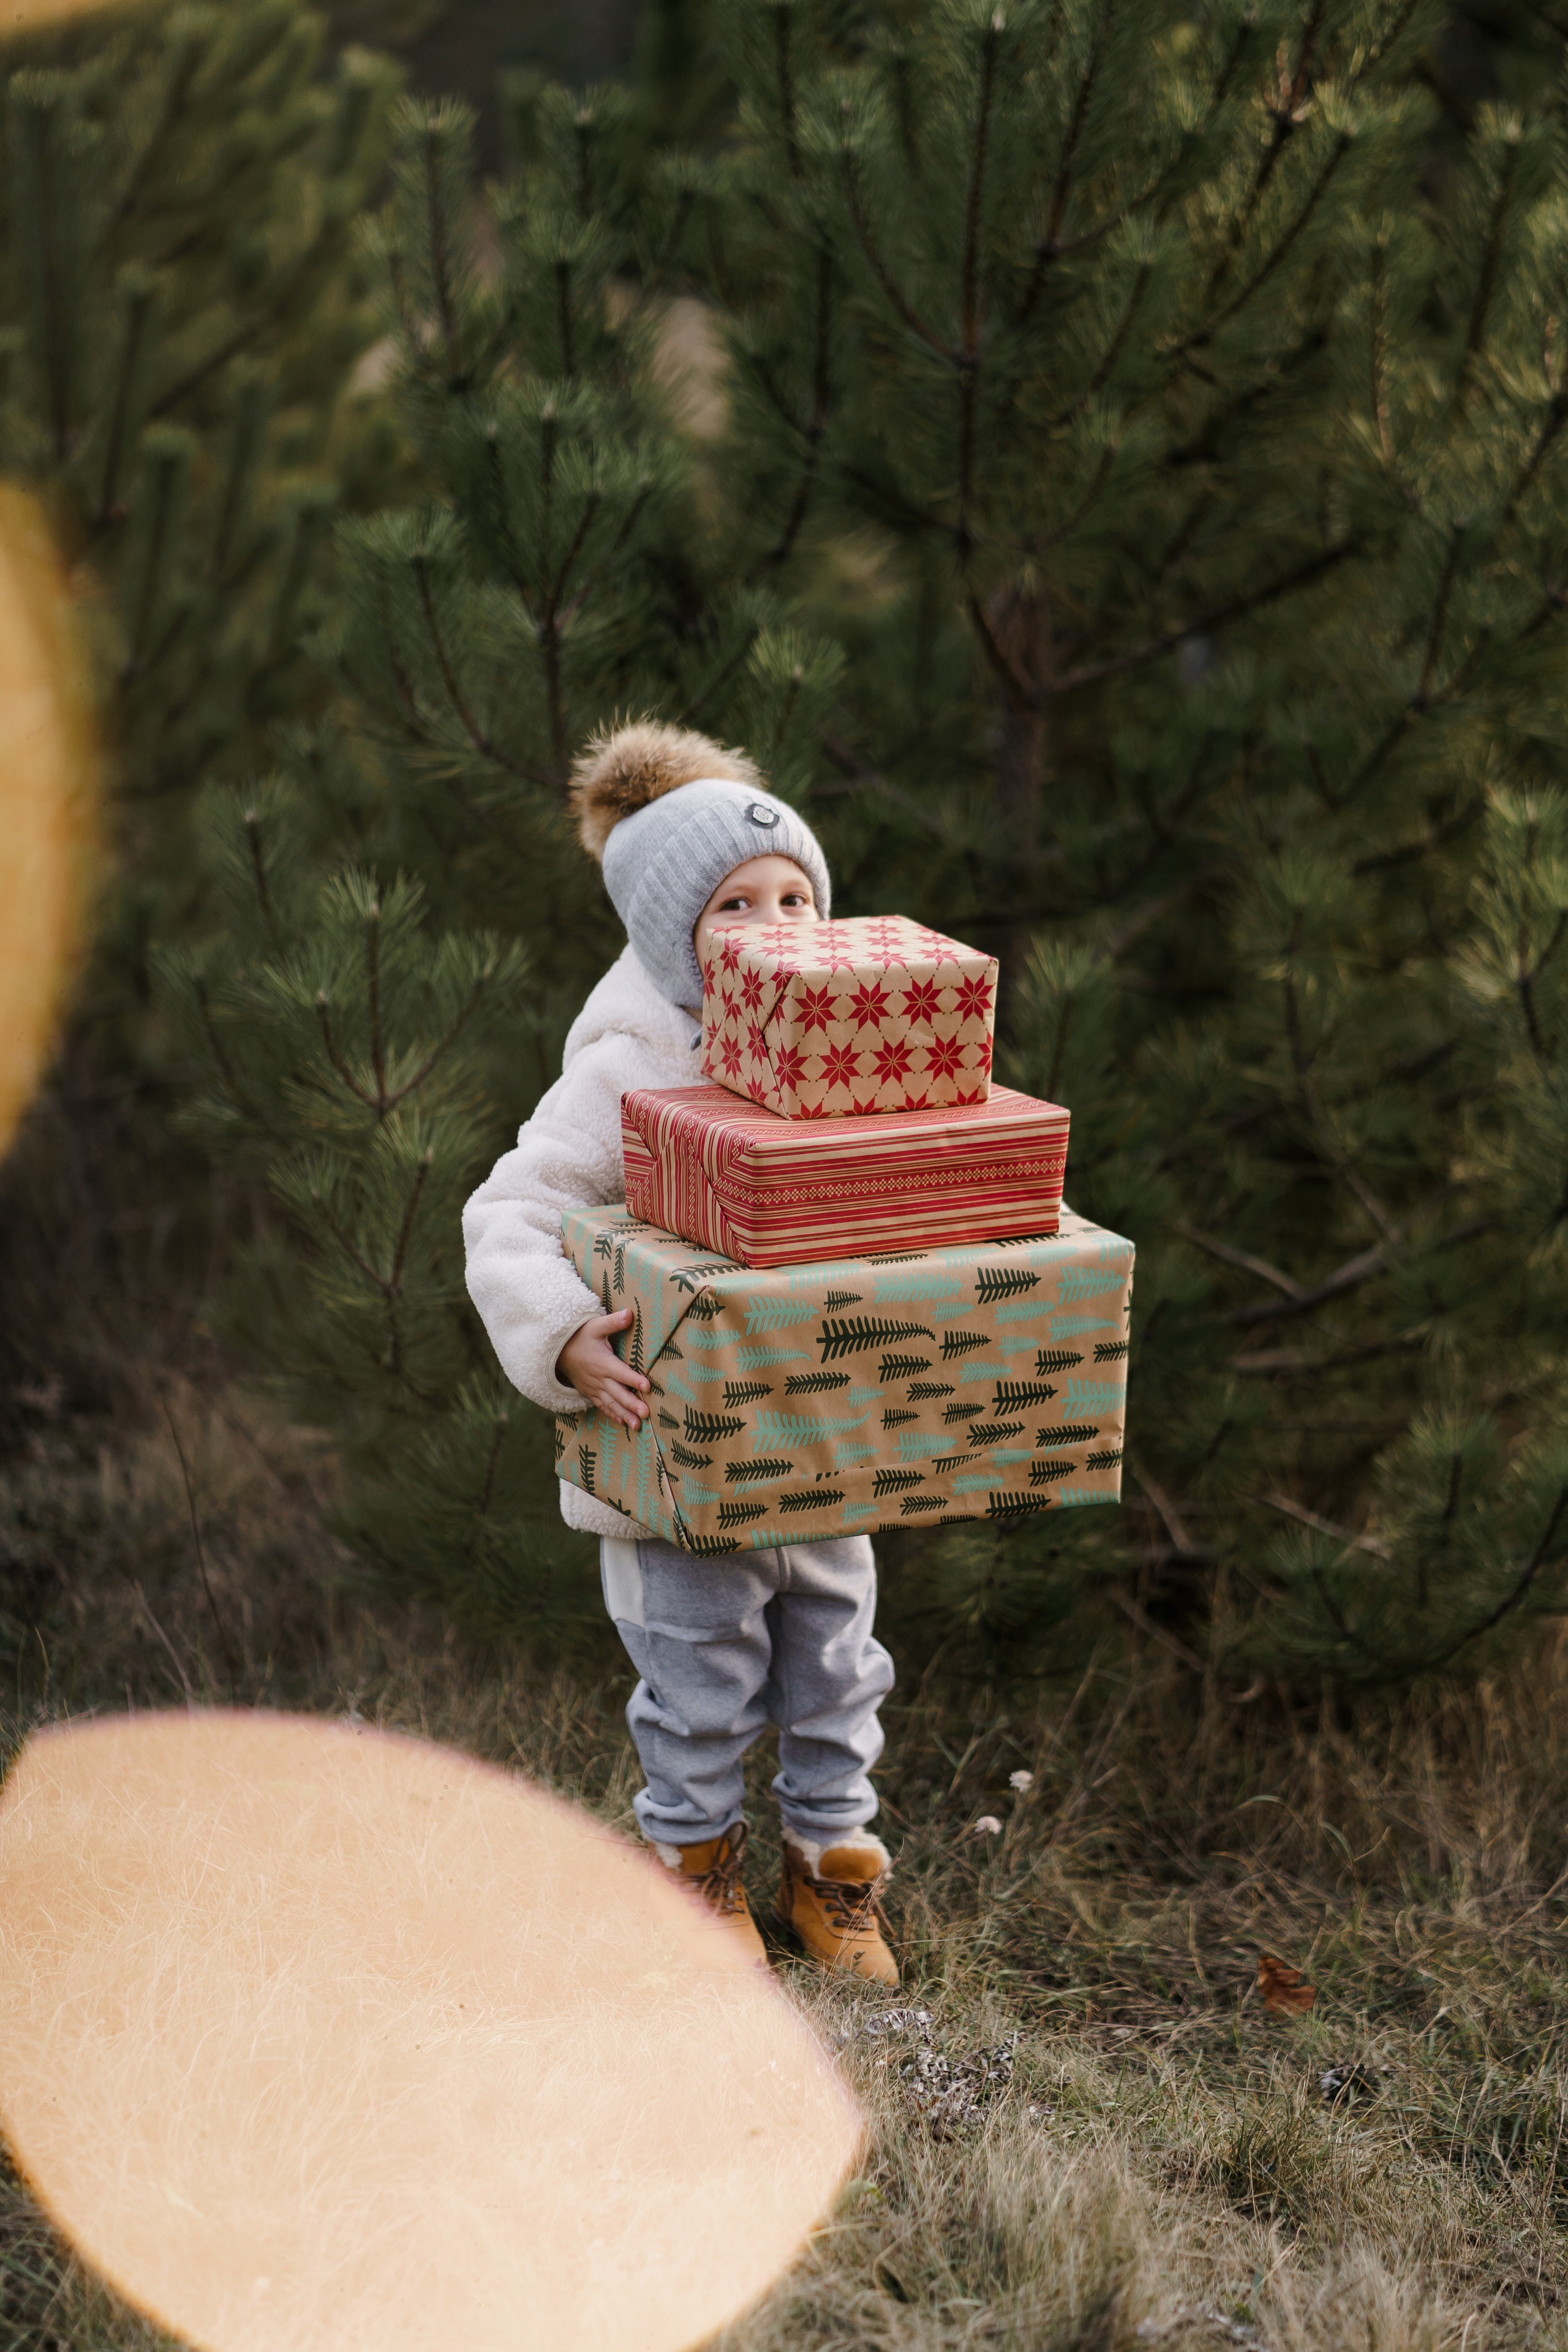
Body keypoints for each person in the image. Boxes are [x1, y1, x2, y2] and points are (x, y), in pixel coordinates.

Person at [463, 722, 899, 1985]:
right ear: (670, 932)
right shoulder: (630, 1063)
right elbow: (509, 1211)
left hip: (816, 1424)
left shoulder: (839, 1040)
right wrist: (563, 1339)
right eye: (736, 906)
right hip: (667, 1439)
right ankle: (691, 1869)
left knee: (833, 1654)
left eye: (794, 899)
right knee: (697, 1673)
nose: (774, 925)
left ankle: (832, 1868)